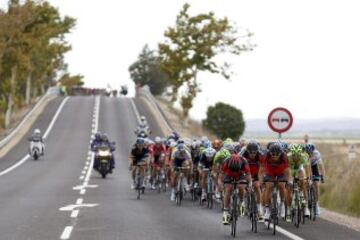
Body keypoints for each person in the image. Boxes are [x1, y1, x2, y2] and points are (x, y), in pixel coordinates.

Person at [261, 142, 289, 220]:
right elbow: (261, 170)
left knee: (282, 185)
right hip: (270, 172)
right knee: (268, 186)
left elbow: (287, 171)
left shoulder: (284, 156)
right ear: (270, 153)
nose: (275, 157)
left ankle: (282, 204)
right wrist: (261, 181)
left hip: (280, 172)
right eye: (273, 155)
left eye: (277, 155)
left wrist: (288, 181)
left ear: (281, 153)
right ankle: (267, 210)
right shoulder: (265, 156)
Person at [222, 154, 252, 225]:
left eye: (236, 170)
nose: (234, 171)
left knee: (241, 187)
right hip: (229, 175)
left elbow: (248, 175)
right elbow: (221, 175)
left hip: (241, 175)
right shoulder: (226, 161)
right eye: (233, 170)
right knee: (228, 189)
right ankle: (225, 211)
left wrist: (250, 184)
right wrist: (221, 185)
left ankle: (242, 202)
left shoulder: (244, 161)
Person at [286, 144, 311, 218]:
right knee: (289, 188)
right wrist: (289, 180)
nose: (296, 157)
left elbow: (306, 168)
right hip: (290, 170)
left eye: (298, 155)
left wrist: (308, 178)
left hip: (299, 169)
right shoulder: (288, 157)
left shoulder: (303, 157)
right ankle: (288, 209)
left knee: (303, 181)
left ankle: (306, 207)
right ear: (292, 154)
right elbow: (286, 170)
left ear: (300, 154)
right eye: (294, 155)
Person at [242, 140, 264, 219]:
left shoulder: (260, 155)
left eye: (254, 152)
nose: (252, 154)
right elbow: (239, 168)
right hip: (245, 173)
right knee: (243, 188)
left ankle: (259, 208)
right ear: (247, 151)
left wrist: (260, 179)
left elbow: (262, 169)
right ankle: (243, 203)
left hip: (256, 173)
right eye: (250, 153)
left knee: (257, 186)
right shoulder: (243, 155)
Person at [305, 143, 325, 215]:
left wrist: (322, 176)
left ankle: (317, 204)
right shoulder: (304, 154)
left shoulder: (316, 153)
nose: (309, 154)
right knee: (306, 183)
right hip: (306, 166)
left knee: (316, 184)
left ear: (313, 151)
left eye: (310, 153)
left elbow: (321, 166)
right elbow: (307, 167)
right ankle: (306, 205)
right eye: (308, 153)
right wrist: (308, 178)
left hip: (314, 166)